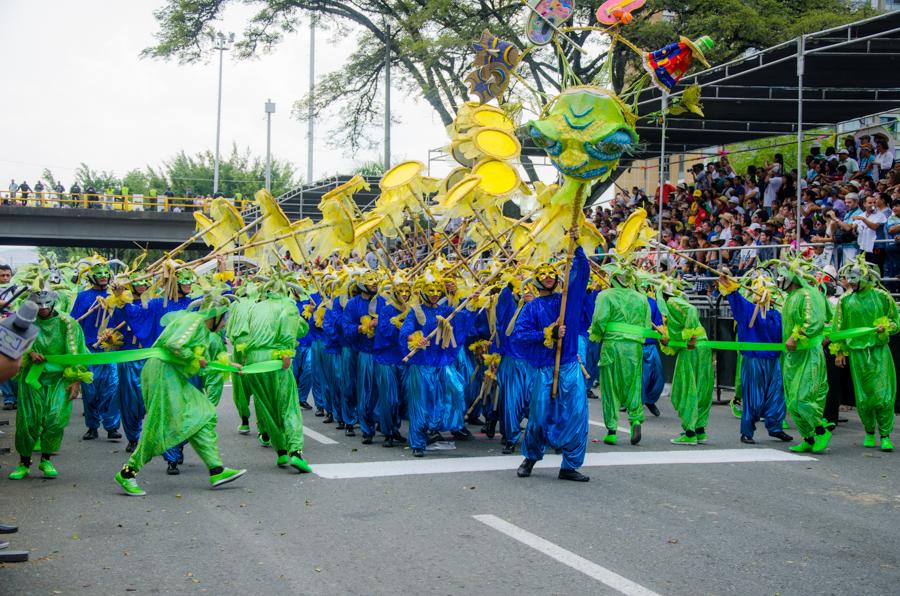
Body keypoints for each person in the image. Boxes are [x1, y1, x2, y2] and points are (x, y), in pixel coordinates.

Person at [114, 306, 247, 496]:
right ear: (214, 316)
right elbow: (175, 346)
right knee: (158, 427)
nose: (225, 323)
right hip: (162, 373)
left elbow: (204, 363)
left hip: (172, 375)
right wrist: (194, 357)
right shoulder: (194, 322)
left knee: (202, 414)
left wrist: (230, 366)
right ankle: (127, 473)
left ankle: (216, 469)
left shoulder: (203, 331)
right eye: (224, 318)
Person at [515, 230, 590, 482]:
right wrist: (546, 333)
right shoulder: (531, 307)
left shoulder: (567, 300)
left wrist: (577, 247)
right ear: (536, 280)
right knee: (538, 416)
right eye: (542, 274)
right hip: (544, 369)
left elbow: (583, 274)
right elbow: (519, 335)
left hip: (568, 365)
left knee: (577, 413)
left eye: (551, 274)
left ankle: (570, 465)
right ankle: (531, 458)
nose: (547, 277)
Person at [8, 287, 89, 480]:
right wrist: (29, 354)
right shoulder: (24, 322)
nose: (43, 308)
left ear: (54, 303)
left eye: (46, 304)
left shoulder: (67, 323)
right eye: (38, 305)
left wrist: (76, 380)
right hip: (32, 379)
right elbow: (12, 346)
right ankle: (24, 462)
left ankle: (46, 459)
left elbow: (76, 352)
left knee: (55, 419)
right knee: (28, 421)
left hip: (60, 378)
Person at [231, 279, 312, 472]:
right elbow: (294, 330)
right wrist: (286, 353)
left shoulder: (256, 307)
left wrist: (244, 360)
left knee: (267, 407)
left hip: (253, 360)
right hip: (274, 360)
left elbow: (249, 333)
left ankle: (281, 451)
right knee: (288, 405)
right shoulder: (288, 306)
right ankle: (295, 452)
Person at [831, 257, 899, 451]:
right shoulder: (845, 300)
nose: (850, 283)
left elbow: (896, 321)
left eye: (854, 278)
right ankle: (869, 431)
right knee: (864, 398)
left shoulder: (882, 296)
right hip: (857, 354)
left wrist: (885, 327)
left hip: (879, 351)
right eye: (848, 279)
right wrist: (840, 351)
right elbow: (839, 328)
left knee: (883, 395)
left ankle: (885, 434)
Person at [719, 272, 792, 444]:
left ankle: (775, 428)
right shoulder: (748, 310)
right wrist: (729, 283)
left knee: (776, 395)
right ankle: (747, 431)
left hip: (773, 361)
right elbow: (734, 297)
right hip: (754, 361)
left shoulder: (777, 314)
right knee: (753, 397)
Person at [590, 262, 650, 447]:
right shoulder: (641, 298)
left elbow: (599, 320)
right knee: (633, 384)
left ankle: (612, 430)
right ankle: (636, 420)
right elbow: (646, 325)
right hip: (634, 346)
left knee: (610, 386)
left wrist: (597, 334)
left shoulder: (605, 295)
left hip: (613, 344)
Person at [777, 260, 832, 453]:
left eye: (782, 275)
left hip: (808, 353)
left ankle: (821, 430)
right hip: (792, 356)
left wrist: (795, 336)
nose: (779, 279)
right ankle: (808, 438)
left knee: (802, 397)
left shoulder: (808, 294)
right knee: (792, 401)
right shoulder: (790, 297)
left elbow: (813, 321)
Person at [70, 258, 123, 441]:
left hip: (110, 350)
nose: (102, 277)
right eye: (98, 274)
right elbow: (74, 323)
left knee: (112, 388)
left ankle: (112, 427)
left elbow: (124, 318)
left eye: (105, 274)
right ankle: (92, 426)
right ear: (92, 277)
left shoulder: (116, 296)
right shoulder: (83, 297)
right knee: (90, 390)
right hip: (89, 350)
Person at [657, 276, 713, 445]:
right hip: (701, 347)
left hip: (692, 349)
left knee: (686, 388)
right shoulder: (672, 308)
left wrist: (691, 336)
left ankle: (689, 432)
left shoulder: (672, 302)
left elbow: (691, 311)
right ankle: (699, 429)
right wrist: (668, 340)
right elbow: (676, 337)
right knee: (701, 387)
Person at [342, 270, 381, 444]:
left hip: (382, 352)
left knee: (381, 393)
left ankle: (387, 427)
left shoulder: (383, 302)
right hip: (362, 352)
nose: (374, 283)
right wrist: (362, 327)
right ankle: (364, 427)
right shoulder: (352, 304)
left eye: (376, 281)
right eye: (371, 281)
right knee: (361, 390)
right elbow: (346, 327)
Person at [372, 273, 410, 447]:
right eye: (400, 291)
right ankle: (387, 432)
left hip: (403, 359)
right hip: (386, 358)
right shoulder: (387, 309)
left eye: (407, 291)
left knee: (402, 398)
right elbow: (385, 333)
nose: (404, 294)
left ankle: (395, 429)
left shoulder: (412, 309)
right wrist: (397, 325)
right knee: (389, 397)